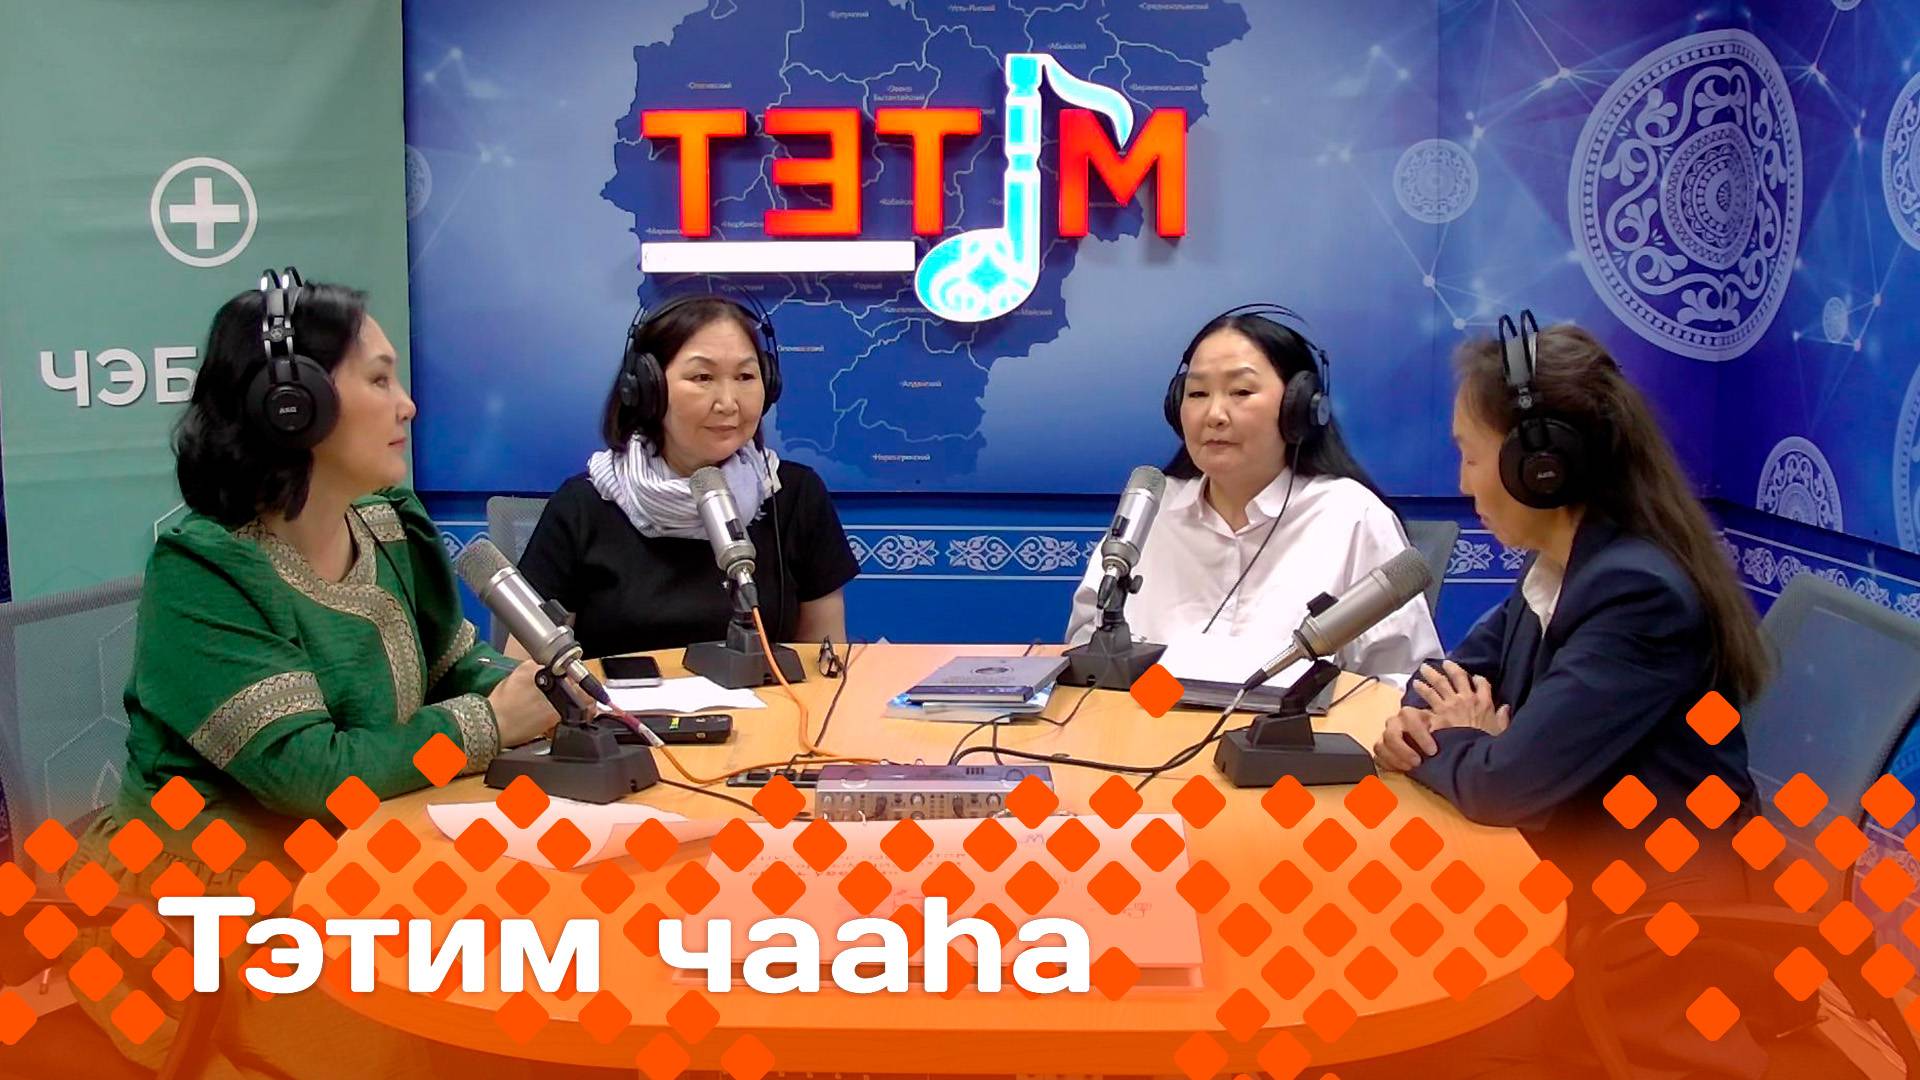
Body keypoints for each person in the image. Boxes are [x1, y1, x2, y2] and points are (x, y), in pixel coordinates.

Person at [56, 270, 558, 1077]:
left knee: (542, 978)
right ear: (292, 405)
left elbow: (453, 663)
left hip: (359, 857)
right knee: (446, 1039)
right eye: (379, 380)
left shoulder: (390, 521)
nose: (408, 406)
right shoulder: (203, 568)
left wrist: (539, 691)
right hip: (208, 904)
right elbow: (310, 773)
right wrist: (492, 723)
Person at [1367, 316, 1780, 1079]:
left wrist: (1466, 744)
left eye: (1471, 456)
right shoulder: (1558, 569)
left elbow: (1501, 785)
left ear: (1542, 466)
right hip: (1571, 887)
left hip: (1642, 939)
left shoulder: (1636, 593)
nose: (1462, 482)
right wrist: (1458, 736)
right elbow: (1436, 686)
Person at [1064, 305, 1440, 681]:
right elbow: (1087, 651)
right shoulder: (1151, 513)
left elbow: (1400, 679)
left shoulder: (1351, 517)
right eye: (1197, 393)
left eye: (1241, 391)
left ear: (1299, 406)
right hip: (1153, 712)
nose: (1214, 414)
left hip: (1302, 719)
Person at [516, 294, 858, 658]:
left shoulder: (793, 495)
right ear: (647, 388)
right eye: (702, 377)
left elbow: (827, 662)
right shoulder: (583, 507)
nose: (728, 403)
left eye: (745, 376)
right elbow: (527, 673)